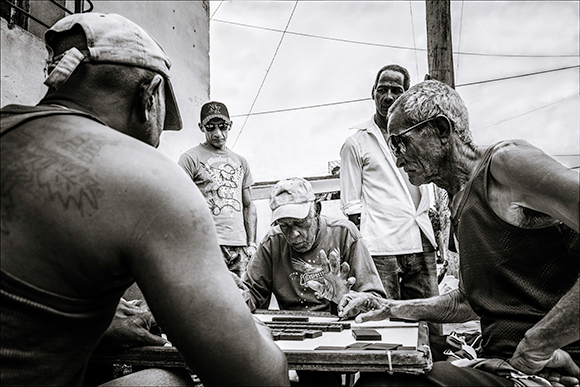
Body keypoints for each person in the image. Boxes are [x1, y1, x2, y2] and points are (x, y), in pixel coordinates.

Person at [0, 13, 288, 387]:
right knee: (170, 382)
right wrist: (249, 329)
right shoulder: (144, 175)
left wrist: (102, 323)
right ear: (149, 96)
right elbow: (260, 379)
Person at [338, 80, 579, 386]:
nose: (397, 160)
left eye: (400, 143)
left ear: (440, 129)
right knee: (382, 374)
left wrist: (538, 344)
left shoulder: (504, 163)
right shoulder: (457, 200)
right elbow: (466, 301)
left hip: (553, 369)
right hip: (501, 364)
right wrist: (390, 308)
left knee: (389, 384)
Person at [340, 64, 439, 302]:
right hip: (381, 247)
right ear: (372, 92)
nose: (388, 97)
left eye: (396, 90)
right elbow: (351, 205)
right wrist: (364, 250)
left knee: (431, 320)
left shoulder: (421, 135)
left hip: (421, 240)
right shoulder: (356, 142)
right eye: (382, 89)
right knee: (386, 321)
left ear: (406, 94)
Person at [243, 177, 386, 314]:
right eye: (284, 225)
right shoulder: (272, 242)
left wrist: (347, 298)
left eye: (300, 222)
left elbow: (376, 301)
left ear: (317, 210)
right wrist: (235, 295)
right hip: (293, 324)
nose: (293, 235)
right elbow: (251, 295)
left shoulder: (345, 234)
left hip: (340, 324)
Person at [178, 102, 257, 279]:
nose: (217, 134)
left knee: (241, 298)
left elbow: (249, 205)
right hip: (208, 245)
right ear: (201, 127)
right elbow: (178, 202)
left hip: (240, 247)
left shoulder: (241, 161)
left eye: (222, 127)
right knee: (210, 298)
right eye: (210, 127)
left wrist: (251, 243)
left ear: (230, 125)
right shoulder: (190, 158)